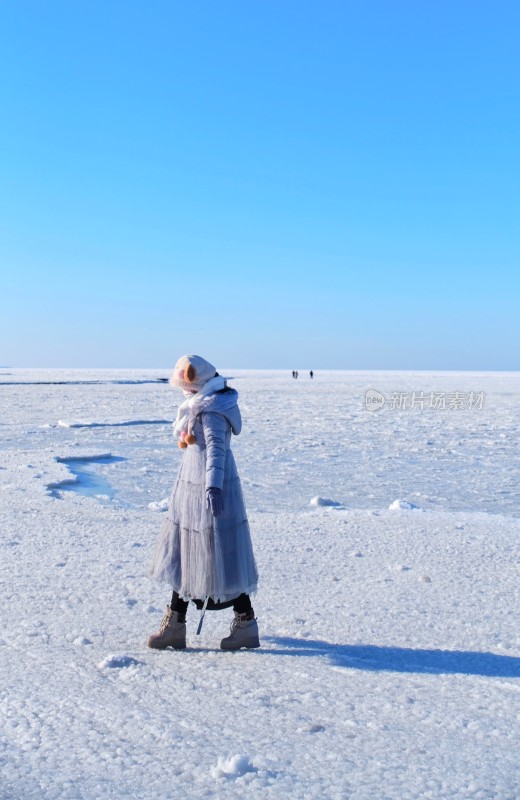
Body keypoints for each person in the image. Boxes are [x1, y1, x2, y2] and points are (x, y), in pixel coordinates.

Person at [148, 354, 259, 651]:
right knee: (192, 556)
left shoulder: (209, 410)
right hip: (194, 491)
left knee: (208, 557)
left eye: (186, 386)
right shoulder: (202, 404)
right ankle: (186, 623)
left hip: (207, 494)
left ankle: (240, 623)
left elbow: (216, 451)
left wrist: (212, 488)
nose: (183, 392)